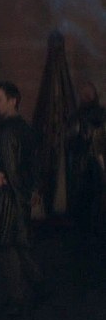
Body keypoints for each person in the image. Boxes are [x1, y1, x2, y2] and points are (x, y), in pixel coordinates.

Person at [0, 81, 42, 316]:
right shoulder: (23, 127)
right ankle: (36, 288)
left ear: (13, 101)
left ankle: (19, 298)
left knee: (6, 247)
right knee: (18, 245)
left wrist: (21, 197)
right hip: (17, 195)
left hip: (6, 197)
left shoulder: (7, 131)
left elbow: (11, 170)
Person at [66, 81, 106, 287]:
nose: (86, 97)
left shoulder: (101, 115)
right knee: (83, 204)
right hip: (82, 168)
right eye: (84, 94)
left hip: (96, 168)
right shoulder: (76, 116)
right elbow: (72, 141)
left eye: (89, 93)